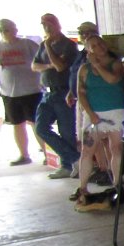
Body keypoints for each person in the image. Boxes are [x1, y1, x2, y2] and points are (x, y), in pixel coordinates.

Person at [73, 35, 124, 212]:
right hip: (93, 113)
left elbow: (112, 79)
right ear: (89, 50)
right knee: (87, 151)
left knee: (116, 148)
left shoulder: (116, 64)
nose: (99, 47)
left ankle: (117, 185)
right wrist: (90, 113)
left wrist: (97, 65)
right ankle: (82, 188)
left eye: (100, 43)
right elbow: (81, 93)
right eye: (94, 46)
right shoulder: (84, 69)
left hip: (115, 111)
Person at [32, 13, 79, 179]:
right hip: (48, 92)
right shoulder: (42, 45)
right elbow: (34, 66)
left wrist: (48, 46)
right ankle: (74, 159)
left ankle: (68, 166)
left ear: (56, 24)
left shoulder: (68, 45)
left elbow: (59, 66)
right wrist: (48, 65)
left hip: (63, 91)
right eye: (43, 24)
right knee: (41, 128)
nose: (46, 27)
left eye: (48, 24)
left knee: (66, 131)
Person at [0, 18, 44, 165]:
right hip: (9, 92)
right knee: (17, 124)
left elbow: (42, 60)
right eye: (2, 30)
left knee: (36, 123)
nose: (5, 32)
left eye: (8, 29)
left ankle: (47, 153)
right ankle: (24, 155)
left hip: (31, 90)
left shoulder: (27, 44)